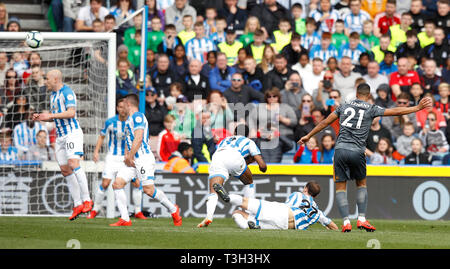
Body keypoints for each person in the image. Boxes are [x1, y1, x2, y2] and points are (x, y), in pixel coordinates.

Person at [298, 83, 433, 232]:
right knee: (361, 184)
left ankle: (345, 222)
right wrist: (416, 108)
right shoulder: (371, 108)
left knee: (340, 187)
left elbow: (324, 122)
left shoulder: (343, 106)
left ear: (356, 93)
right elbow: (395, 111)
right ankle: (361, 219)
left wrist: (308, 136)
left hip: (341, 150)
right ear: (368, 96)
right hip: (357, 151)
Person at [109, 94, 182, 227]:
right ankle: (125, 218)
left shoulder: (138, 116)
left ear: (129, 104)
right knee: (117, 184)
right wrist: (127, 155)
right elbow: (130, 140)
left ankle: (173, 209)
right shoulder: (129, 120)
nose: (120, 107)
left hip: (143, 158)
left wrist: (130, 156)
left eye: (123, 104)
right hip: (132, 159)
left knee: (148, 190)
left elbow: (139, 137)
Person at [32, 69, 93, 221]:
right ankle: (77, 203)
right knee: (65, 170)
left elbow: (71, 113)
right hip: (60, 137)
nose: (45, 81)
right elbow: (56, 118)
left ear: (55, 79)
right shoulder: (53, 95)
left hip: (72, 133)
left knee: (73, 163)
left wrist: (51, 115)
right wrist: (42, 118)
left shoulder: (68, 92)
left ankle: (87, 200)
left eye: (47, 79)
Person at [197, 124, 267, 228]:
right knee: (249, 183)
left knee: (213, 191)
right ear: (247, 135)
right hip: (235, 157)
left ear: (234, 133)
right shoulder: (249, 141)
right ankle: (250, 216)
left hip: (218, 157)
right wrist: (253, 163)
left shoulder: (225, 140)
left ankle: (208, 216)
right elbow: (262, 166)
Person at [88, 98, 146, 220]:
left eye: (124, 106)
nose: (122, 109)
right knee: (105, 183)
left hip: (128, 156)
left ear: (128, 107)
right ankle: (95, 209)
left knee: (136, 183)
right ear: (117, 108)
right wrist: (96, 151)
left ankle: (137, 211)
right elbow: (102, 136)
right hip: (113, 157)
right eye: (119, 107)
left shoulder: (133, 121)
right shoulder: (110, 122)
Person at [213, 180, 338, 231]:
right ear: (315, 196)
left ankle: (229, 198)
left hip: (283, 212)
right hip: (285, 226)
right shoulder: (318, 212)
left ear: (305, 188)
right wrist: (335, 230)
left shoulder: (298, 195)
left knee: (243, 205)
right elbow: (332, 225)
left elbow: (288, 206)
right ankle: (249, 226)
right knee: (251, 223)